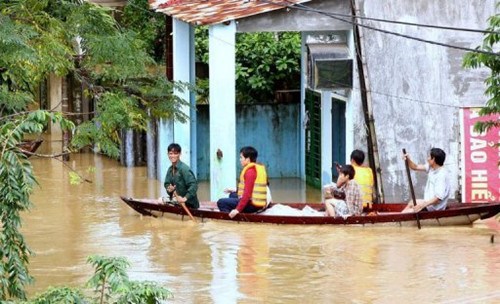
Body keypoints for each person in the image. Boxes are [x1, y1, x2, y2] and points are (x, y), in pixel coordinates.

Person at [217, 146, 268, 218]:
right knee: (232, 195)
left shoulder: (250, 172)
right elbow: (251, 188)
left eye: (241, 157)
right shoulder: (256, 168)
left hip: (253, 205)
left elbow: (247, 195)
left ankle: (231, 219)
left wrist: (237, 210)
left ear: (247, 159)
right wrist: (234, 190)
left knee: (221, 202)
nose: (240, 159)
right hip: (258, 203)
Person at [402, 147, 450, 213]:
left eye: (429, 157)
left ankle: (397, 220)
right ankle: (398, 219)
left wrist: (422, 206)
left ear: (433, 159)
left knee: (408, 212)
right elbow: (415, 167)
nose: (427, 159)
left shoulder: (441, 175)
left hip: (435, 208)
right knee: (411, 203)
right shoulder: (432, 167)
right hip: (429, 203)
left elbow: (438, 198)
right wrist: (408, 159)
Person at [163, 143, 199, 209]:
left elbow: (194, 185)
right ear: (168, 154)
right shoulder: (170, 169)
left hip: (188, 203)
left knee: (161, 201)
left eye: (175, 153)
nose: (172, 156)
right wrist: (169, 189)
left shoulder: (184, 169)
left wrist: (184, 198)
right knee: (160, 200)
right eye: (170, 153)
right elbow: (167, 184)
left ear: (179, 154)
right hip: (177, 199)